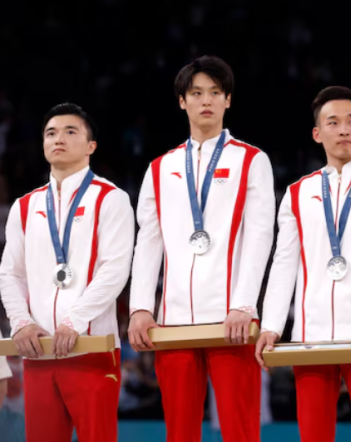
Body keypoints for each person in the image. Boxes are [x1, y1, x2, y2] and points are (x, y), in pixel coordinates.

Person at [255, 86, 351, 442]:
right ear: (317, 133)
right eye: (333, 122)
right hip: (310, 340)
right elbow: (284, 264)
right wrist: (271, 326)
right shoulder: (297, 193)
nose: (344, 129)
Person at [128, 55, 275, 442]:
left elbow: (260, 235)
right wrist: (141, 307)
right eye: (196, 93)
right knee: (179, 432)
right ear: (182, 101)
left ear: (228, 100)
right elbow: (148, 241)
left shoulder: (251, 160)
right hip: (173, 322)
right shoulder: (160, 168)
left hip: (231, 320)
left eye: (214, 92)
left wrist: (244, 304)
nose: (206, 100)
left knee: (241, 431)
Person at [0, 103, 135, 441]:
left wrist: (74, 320)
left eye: (70, 131)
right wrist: (21, 322)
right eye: (50, 133)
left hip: (91, 349)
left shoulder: (111, 199)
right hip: (39, 352)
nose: (58, 138)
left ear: (91, 146)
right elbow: (10, 273)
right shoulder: (25, 206)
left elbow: (115, 269)